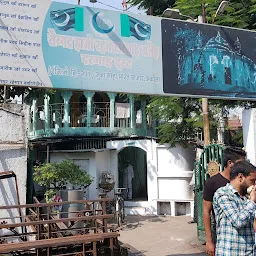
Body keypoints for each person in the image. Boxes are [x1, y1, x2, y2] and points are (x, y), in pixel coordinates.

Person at [203, 147, 246, 256]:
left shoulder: (243, 182)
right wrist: (209, 241)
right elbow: (206, 212)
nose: (244, 167)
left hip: (243, 236)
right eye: (241, 163)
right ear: (230, 163)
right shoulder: (212, 183)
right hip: (222, 234)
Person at [213, 161, 256, 255]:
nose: (254, 185)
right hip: (230, 252)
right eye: (252, 181)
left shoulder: (246, 198)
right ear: (240, 177)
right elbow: (238, 221)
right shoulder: (223, 194)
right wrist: (252, 201)